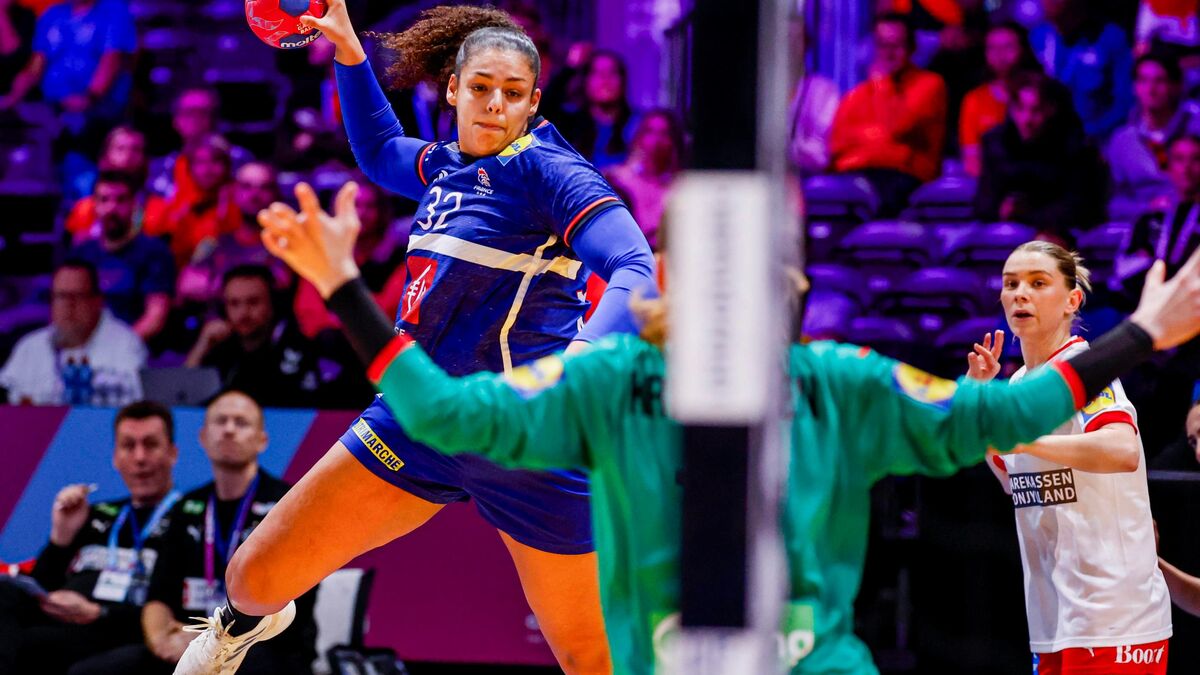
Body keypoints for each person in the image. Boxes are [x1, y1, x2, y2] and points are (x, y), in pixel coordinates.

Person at [178, 177, 1200, 674]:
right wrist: (344, 284)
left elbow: (1011, 410)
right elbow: (441, 408)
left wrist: (1147, 332)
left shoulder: (836, 382)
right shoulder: (607, 380)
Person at [174, 3, 658, 673]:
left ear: (533, 102)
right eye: (481, 87)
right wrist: (348, 49)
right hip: (419, 418)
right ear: (453, 87)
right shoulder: (448, 163)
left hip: (528, 436)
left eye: (513, 94)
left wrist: (573, 368)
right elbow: (376, 152)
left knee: (590, 659)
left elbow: (637, 269)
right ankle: (237, 628)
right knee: (249, 581)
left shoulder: (553, 174)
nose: (494, 104)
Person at [966, 241, 1172, 674]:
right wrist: (981, 407)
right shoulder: (1021, 382)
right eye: (1011, 284)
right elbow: (1012, 477)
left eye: (1038, 283)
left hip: (1114, 617)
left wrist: (1021, 438)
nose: (1020, 293)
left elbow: (1122, 450)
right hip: (1054, 613)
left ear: (1072, 300)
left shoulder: (1083, 369)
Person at [69, 391, 317, 675]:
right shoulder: (186, 506)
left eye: (241, 422)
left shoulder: (288, 504)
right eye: (220, 421)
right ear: (203, 438)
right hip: (190, 643)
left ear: (262, 440)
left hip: (264, 645)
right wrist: (162, 641)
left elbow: (292, 605)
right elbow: (158, 597)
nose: (229, 429)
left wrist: (215, 644)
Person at [0, 401, 180, 675]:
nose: (140, 457)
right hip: (60, 622)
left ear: (172, 453)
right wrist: (61, 536)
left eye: (151, 445)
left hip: (122, 631)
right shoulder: (94, 513)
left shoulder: (191, 519)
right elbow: (44, 583)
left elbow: (183, 609)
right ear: (115, 457)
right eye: (128, 446)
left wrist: (99, 612)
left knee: (36, 646)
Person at [0, 0, 136, 199]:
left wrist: (90, 97)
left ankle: (85, 202)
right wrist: (11, 99)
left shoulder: (114, 11)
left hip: (98, 113)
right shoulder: (52, 15)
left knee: (77, 145)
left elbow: (112, 60)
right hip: (55, 110)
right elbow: (37, 64)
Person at [184, 264, 364, 409]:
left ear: (273, 305)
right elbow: (183, 398)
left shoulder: (303, 347)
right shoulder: (222, 349)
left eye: (253, 302)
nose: (243, 313)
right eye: (234, 304)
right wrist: (202, 345)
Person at [830, 12, 947, 217]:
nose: (888, 53)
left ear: (912, 48)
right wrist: (879, 141)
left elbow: (896, 127)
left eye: (897, 45)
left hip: (905, 179)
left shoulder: (930, 85)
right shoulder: (858, 93)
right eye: (882, 45)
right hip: (856, 176)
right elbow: (837, 143)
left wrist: (882, 84)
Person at [974, 72, 1107, 244]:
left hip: (1057, 237)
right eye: (1020, 109)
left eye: (1035, 111)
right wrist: (1002, 210)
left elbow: (1080, 207)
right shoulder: (996, 144)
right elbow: (982, 204)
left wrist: (1026, 214)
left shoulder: (1074, 147)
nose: (1026, 119)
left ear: (1051, 110)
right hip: (1003, 240)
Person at [0, 259, 145, 405]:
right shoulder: (30, 346)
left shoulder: (126, 346)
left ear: (97, 301)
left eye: (78, 296)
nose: (69, 305)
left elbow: (135, 409)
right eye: (61, 296)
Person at [69, 170, 175, 343]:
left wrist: (118, 348)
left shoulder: (155, 252)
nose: (112, 208)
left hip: (135, 350)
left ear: (134, 204)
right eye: (104, 200)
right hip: (85, 347)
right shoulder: (81, 253)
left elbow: (155, 318)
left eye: (120, 200)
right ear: (94, 205)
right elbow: (67, 307)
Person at [293, 178, 405, 340]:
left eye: (369, 206)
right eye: (355, 205)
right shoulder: (320, 254)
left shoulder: (399, 260)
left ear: (382, 212)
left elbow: (386, 313)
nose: (361, 213)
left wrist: (336, 320)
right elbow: (309, 316)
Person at [176, 161, 291, 304]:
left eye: (264, 188)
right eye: (246, 187)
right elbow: (187, 286)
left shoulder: (287, 245)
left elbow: (285, 285)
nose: (255, 195)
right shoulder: (214, 244)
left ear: (276, 194)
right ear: (235, 192)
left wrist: (217, 285)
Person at [1108, 53, 1200, 216]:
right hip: (1141, 226)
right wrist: (1148, 208)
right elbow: (1114, 204)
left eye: (1160, 81)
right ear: (1134, 87)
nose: (1150, 90)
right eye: (1143, 81)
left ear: (1176, 86)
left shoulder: (1195, 128)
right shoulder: (1122, 140)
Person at [1029, 0, 1133, 139]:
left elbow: (1125, 101)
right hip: (1046, 139)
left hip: (1099, 140)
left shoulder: (1110, 37)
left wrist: (1091, 134)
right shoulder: (1037, 37)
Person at [146, 134, 242, 266]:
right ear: (189, 167)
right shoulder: (168, 200)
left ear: (228, 166)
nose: (207, 170)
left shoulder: (238, 201)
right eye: (200, 162)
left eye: (216, 161)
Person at [960, 21, 1040, 177]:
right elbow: (971, 159)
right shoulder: (974, 99)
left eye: (1008, 47)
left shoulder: (1040, 94)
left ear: (1024, 49)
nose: (1000, 55)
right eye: (992, 48)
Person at [1121, 133, 1200, 292]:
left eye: (1196, 159)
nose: (1187, 168)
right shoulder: (1150, 216)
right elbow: (1126, 270)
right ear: (1168, 166)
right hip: (1148, 304)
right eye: (1179, 159)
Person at [64, 126, 169, 243]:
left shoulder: (159, 209)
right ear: (105, 156)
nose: (128, 155)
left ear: (146, 159)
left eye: (136, 149)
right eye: (120, 148)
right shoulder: (84, 209)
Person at [147, 88, 253, 200]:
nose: (196, 119)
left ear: (215, 119)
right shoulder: (160, 168)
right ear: (175, 120)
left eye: (204, 112)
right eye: (189, 112)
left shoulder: (239, 160)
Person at [604, 109, 685, 249]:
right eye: (650, 132)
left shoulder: (682, 188)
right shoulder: (616, 179)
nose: (656, 141)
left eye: (664, 134)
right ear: (639, 138)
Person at [556, 49, 636, 170]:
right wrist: (569, 69)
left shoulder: (638, 126)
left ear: (622, 81)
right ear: (586, 82)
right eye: (597, 73)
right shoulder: (568, 123)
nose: (605, 80)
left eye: (612, 73)